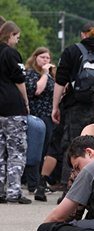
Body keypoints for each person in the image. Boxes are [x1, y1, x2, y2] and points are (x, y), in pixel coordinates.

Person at [51, 22, 94, 200]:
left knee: (74, 146)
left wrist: (55, 106)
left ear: (82, 34)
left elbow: (60, 81)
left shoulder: (71, 51)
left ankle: (69, 191)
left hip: (76, 106)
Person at [0, 21, 31, 204]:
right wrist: (26, 101)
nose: (17, 41)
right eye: (16, 37)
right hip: (12, 106)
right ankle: (14, 191)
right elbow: (20, 80)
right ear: (10, 35)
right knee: (16, 150)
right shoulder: (11, 53)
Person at [21, 47, 55, 201]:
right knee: (35, 149)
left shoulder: (50, 76)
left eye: (48, 58)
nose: (46, 61)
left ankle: (41, 181)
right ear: (35, 58)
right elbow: (37, 90)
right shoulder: (31, 74)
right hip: (35, 116)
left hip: (48, 116)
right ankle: (31, 182)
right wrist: (45, 74)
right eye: (42, 57)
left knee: (46, 149)